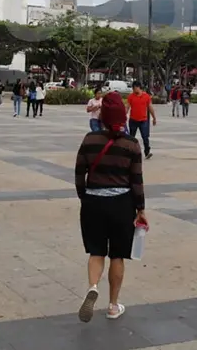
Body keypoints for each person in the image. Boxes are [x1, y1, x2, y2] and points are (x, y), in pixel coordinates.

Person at [74, 91, 146, 322]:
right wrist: (140, 208)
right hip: (121, 204)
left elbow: (78, 174)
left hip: (93, 202)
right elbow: (136, 180)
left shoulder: (89, 140)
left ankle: (93, 286)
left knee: (96, 251)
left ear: (103, 116)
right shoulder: (132, 145)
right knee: (117, 255)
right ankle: (113, 305)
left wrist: (84, 196)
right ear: (122, 117)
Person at [125, 81, 155, 160]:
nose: (134, 90)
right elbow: (127, 107)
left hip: (143, 120)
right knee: (131, 137)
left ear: (138, 87)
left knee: (145, 137)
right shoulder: (131, 96)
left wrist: (154, 118)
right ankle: (130, 153)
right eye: (133, 88)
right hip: (133, 120)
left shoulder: (146, 96)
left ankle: (147, 152)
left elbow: (150, 107)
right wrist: (124, 115)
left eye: (134, 88)